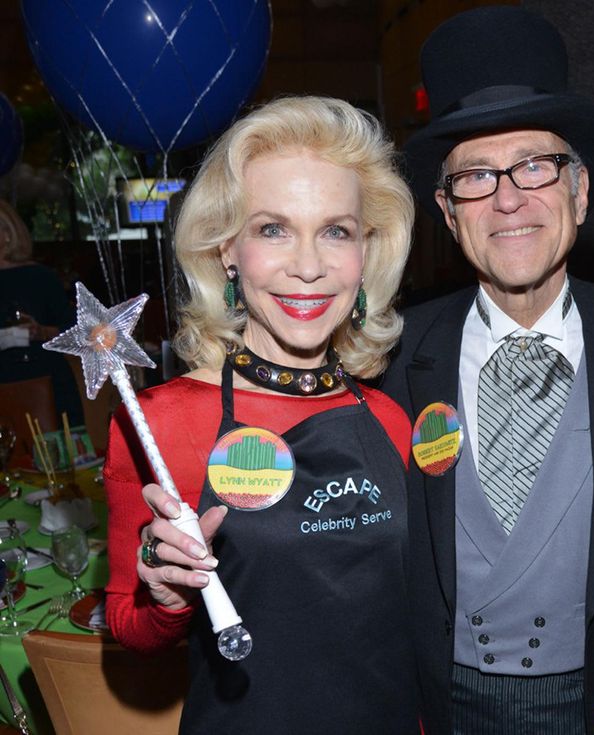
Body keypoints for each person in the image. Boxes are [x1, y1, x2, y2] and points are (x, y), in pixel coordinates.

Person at [382, 7, 594, 734]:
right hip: (442, 705)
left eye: (534, 165)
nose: (508, 197)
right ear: (447, 212)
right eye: (476, 176)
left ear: (580, 193)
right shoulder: (394, 353)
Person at [103, 97, 419, 733]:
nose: (308, 266)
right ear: (227, 252)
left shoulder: (391, 420)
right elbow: (130, 629)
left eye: (337, 230)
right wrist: (166, 598)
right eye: (273, 229)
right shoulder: (160, 425)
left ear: (366, 254)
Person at [0, 199, 84, 427]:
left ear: (8, 234)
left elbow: (77, 332)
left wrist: (41, 332)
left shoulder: (39, 278)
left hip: (47, 384)